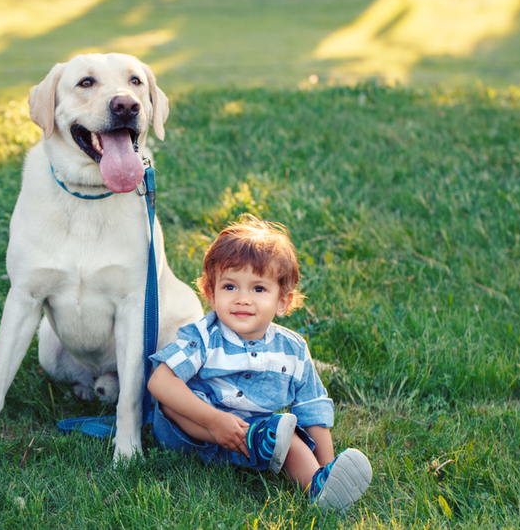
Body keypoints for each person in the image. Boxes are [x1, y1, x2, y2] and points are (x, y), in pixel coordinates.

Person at [147, 214, 372, 512]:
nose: (242, 299)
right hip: (192, 436)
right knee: (172, 401)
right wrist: (215, 422)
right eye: (230, 287)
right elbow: (159, 381)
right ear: (211, 295)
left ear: (283, 301)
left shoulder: (293, 350)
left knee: (288, 435)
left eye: (258, 289)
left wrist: (328, 464)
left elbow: (312, 409)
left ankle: (319, 485)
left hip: (261, 442)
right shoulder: (203, 336)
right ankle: (245, 437)